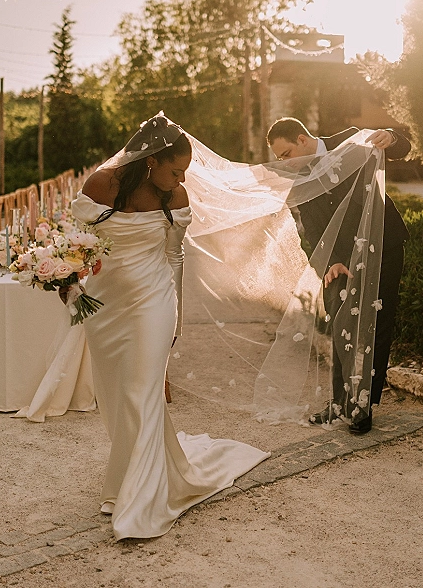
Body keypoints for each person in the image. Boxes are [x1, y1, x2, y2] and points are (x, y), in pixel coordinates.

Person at [71, 113, 269, 541]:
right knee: (119, 397)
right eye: (176, 169)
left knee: (142, 393)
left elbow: (175, 258)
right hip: (106, 306)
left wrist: (175, 315)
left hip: (153, 302)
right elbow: (75, 246)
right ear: (150, 162)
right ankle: (126, 481)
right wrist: (68, 285)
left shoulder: (175, 197)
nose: (181, 178)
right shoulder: (100, 185)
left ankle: (140, 504)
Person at [266, 117, 411, 434]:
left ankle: (364, 407)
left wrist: (391, 137)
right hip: (341, 261)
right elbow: (312, 230)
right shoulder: (301, 181)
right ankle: (338, 402)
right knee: (339, 327)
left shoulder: (350, 139)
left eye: (286, 153)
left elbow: (401, 147)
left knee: (377, 326)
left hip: (384, 246)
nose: (284, 162)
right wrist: (329, 262)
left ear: (303, 139)